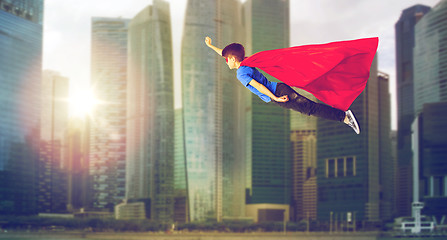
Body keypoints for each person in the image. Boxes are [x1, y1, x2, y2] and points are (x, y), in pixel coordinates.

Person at [204, 36, 379, 134]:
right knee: (309, 108)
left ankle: (344, 117)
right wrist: (211, 46)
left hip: (279, 93)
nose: (226, 62)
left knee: (309, 108)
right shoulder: (246, 62)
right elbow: (226, 53)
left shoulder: (241, 73)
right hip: (280, 88)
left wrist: (275, 98)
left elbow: (258, 86)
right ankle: (343, 116)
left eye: (227, 60)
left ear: (233, 59)